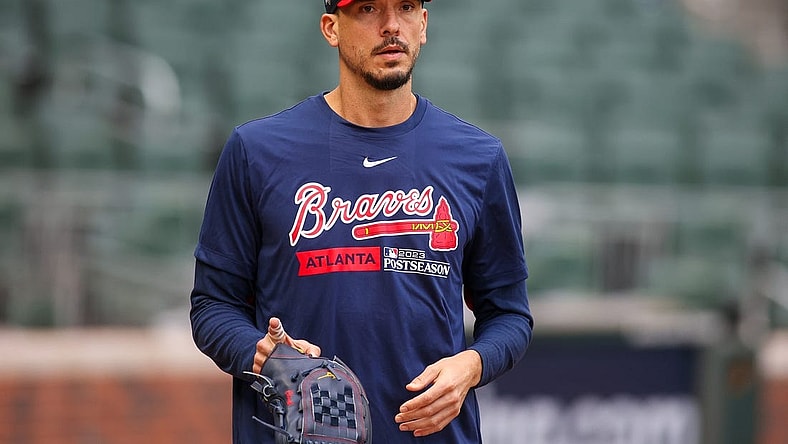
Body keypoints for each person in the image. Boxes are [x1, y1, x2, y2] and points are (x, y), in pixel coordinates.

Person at [189, 0, 534, 442]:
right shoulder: (256, 151)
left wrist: (472, 365)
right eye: (368, 8)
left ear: (424, 24)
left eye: (406, 7)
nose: (391, 26)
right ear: (331, 28)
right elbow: (213, 306)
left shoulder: (478, 158)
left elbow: (509, 314)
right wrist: (265, 358)